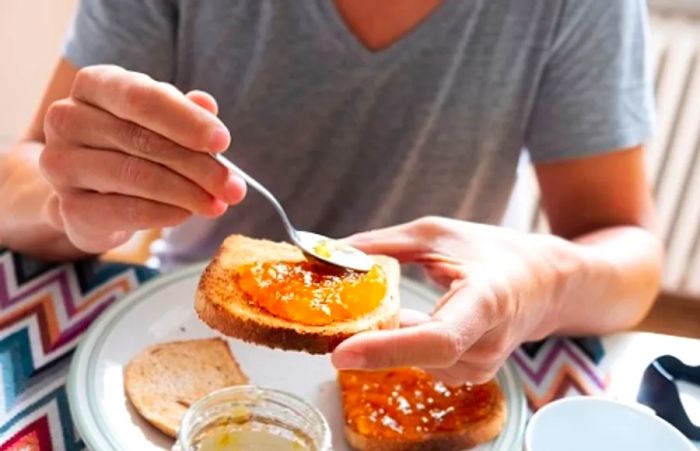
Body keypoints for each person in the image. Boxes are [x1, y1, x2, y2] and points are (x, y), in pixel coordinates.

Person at [0, 0, 662, 384]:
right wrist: (68, 199)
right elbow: (17, 179)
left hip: (436, 361)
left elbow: (630, 257)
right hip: (193, 339)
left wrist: (537, 282)